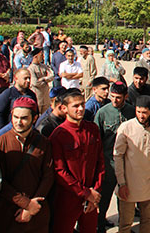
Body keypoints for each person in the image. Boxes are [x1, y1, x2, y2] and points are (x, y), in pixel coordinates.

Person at [0, 97, 53, 232]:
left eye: (24, 118)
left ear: (35, 118)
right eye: (15, 117)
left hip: (37, 212)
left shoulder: (44, 143)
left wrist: (33, 206)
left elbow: (48, 175)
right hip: (8, 213)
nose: (18, 122)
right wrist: (25, 204)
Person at [50, 89, 104, 233]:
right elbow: (59, 171)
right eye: (75, 106)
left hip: (91, 195)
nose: (80, 109)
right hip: (68, 197)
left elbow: (100, 161)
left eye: (82, 105)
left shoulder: (92, 129)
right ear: (64, 108)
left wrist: (95, 191)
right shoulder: (58, 135)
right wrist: (84, 193)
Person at [113, 95, 150, 233]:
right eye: (138, 112)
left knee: (147, 220)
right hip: (128, 185)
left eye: (144, 112)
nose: (141, 116)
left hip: (149, 183)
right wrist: (121, 183)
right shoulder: (126, 128)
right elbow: (118, 156)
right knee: (126, 224)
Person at [94, 81, 135, 232]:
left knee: (125, 198)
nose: (114, 100)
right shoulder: (103, 113)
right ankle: (100, 226)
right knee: (104, 199)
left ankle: (124, 227)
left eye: (118, 97)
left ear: (125, 96)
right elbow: (96, 141)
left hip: (127, 163)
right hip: (108, 164)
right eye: (112, 96)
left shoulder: (132, 112)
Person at [28, 48, 54, 115]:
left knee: (46, 113)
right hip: (37, 93)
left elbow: (52, 76)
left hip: (45, 94)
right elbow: (35, 82)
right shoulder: (31, 68)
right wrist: (46, 81)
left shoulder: (44, 66)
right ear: (35, 56)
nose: (43, 57)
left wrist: (43, 79)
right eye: (41, 55)